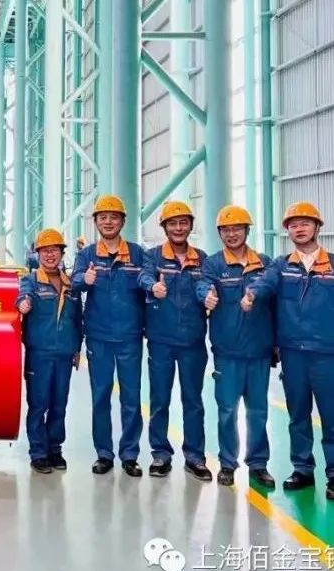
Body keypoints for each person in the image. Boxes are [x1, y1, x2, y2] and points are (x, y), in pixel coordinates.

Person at [245, 201, 334, 500]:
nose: (299, 228)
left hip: (327, 354)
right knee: (298, 415)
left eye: (305, 223)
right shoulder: (281, 266)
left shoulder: (332, 265)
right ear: (288, 231)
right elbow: (265, 283)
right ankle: (302, 469)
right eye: (293, 225)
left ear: (317, 227)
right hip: (293, 354)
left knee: (332, 416)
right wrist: (252, 294)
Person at [195, 205, 275, 488]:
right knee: (227, 411)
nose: (232, 234)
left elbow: (274, 301)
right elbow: (203, 284)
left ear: (247, 231)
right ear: (220, 233)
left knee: (258, 411)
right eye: (226, 230)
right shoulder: (213, 264)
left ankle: (258, 464)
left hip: (259, 351)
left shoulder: (264, 264)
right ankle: (228, 463)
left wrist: (276, 345)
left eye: (237, 228)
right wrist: (206, 296)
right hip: (227, 353)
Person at [71, 195, 145, 477]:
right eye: (103, 217)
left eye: (114, 217)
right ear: (96, 222)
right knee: (101, 396)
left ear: (123, 221)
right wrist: (84, 279)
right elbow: (74, 282)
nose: (108, 222)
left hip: (129, 336)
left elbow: (148, 283)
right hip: (98, 336)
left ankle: (130, 454)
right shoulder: (87, 255)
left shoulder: (137, 254)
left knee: (131, 397)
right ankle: (104, 453)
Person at [138, 201, 211, 481]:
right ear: (164, 227)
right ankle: (160, 454)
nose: (178, 228)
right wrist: (152, 286)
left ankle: (195, 456)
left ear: (190, 226)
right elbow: (144, 276)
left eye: (183, 223)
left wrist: (207, 296)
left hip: (193, 341)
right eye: (172, 223)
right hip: (161, 340)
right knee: (160, 399)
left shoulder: (201, 259)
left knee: (193, 400)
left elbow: (205, 283)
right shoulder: (153, 256)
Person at [17, 229, 82, 474]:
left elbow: (77, 319)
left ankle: (55, 449)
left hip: (64, 354)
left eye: (54, 250)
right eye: (45, 251)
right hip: (39, 354)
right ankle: (38, 453)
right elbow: (21, 297)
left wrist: (77, 348)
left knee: (59, 404)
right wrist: (23, 304)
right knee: (38, 404)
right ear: (38, 254)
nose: (50, 255)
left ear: (62, 253)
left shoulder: (71, 284)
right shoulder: (31, 280)